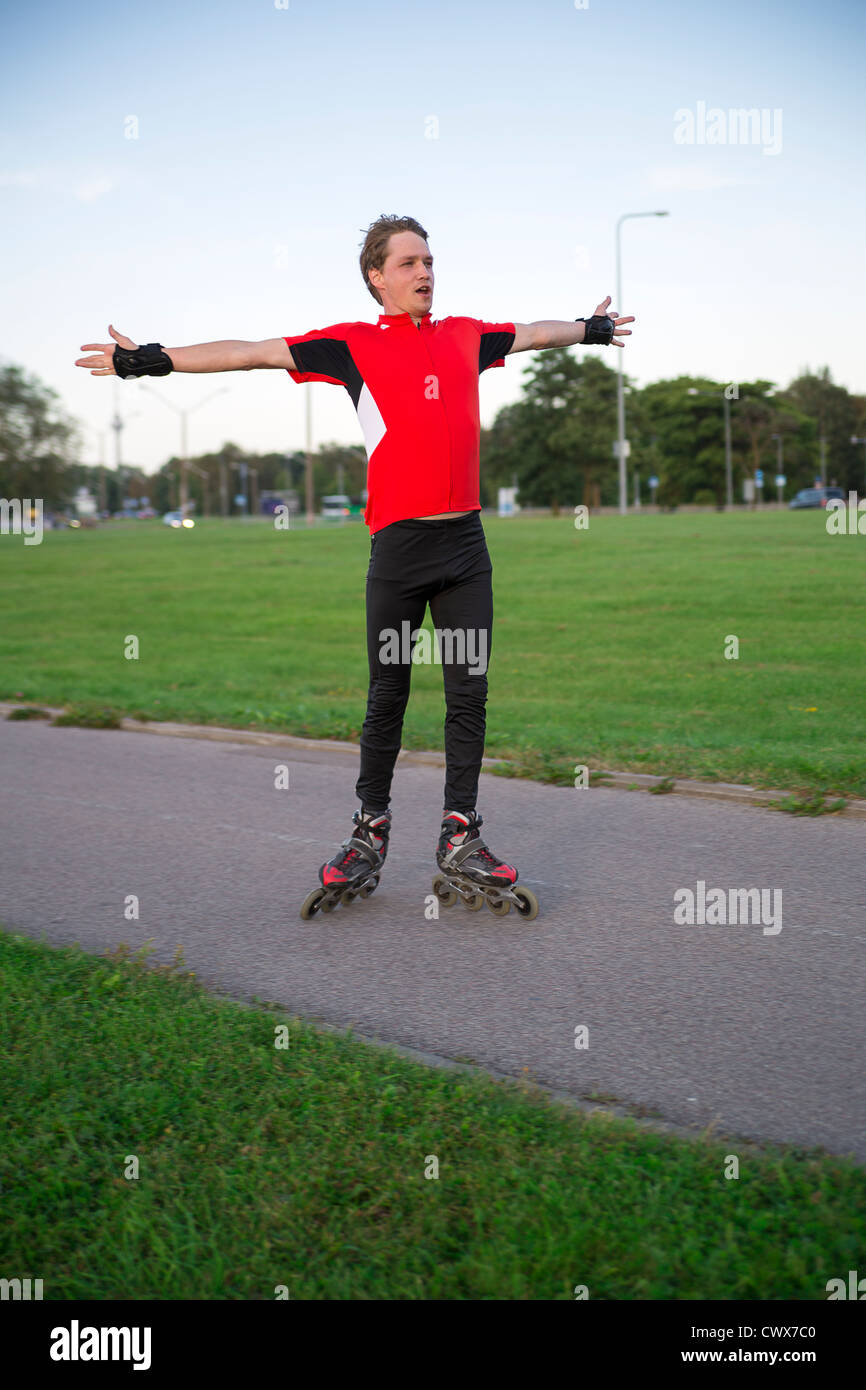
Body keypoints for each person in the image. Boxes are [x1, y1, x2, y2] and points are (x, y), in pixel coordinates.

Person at [75, 213, 634, 917]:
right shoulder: (350, 346)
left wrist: (591, 329)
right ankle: (368, 834)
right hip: (399, 553)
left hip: (465, 550)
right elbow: (250, 352)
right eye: (408, 263)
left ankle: (461, 834)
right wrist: (150, 359)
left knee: (469, 696)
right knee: (387, 695)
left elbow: (535, 333)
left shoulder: (468, 334)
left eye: (429, 261)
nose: (425, 273)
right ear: (377, 276)